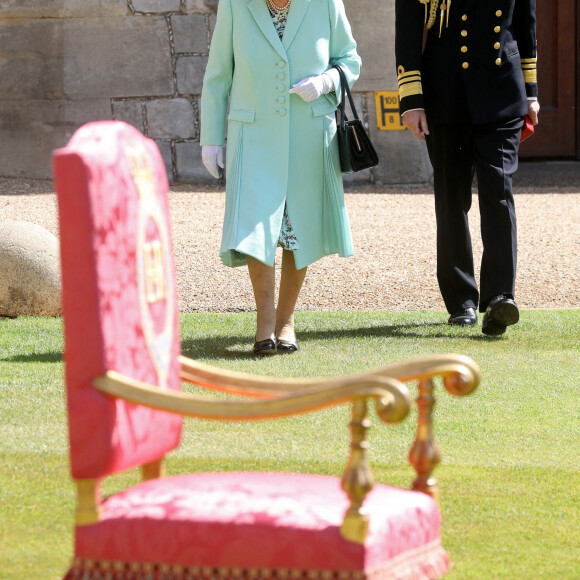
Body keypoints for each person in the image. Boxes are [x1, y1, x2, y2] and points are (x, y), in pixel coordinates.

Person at [200, 0, 360, 354]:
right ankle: (264, 323)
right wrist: (210, 138)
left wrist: (324, 82)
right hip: (253, 135)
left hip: (308, 135)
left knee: (297, 226)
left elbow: (350, 60)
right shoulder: (235, 5)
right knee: (258, 227)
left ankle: (286, 321)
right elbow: (218, 74)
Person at [395, 0, 540, 336]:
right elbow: (408, 30)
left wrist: (531, 91)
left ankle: (500, 296)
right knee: (451, 198)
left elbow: (525, 26)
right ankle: (461, 301)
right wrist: (412, 100)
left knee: (499, 190)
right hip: (445, 91)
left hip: (502, 88)